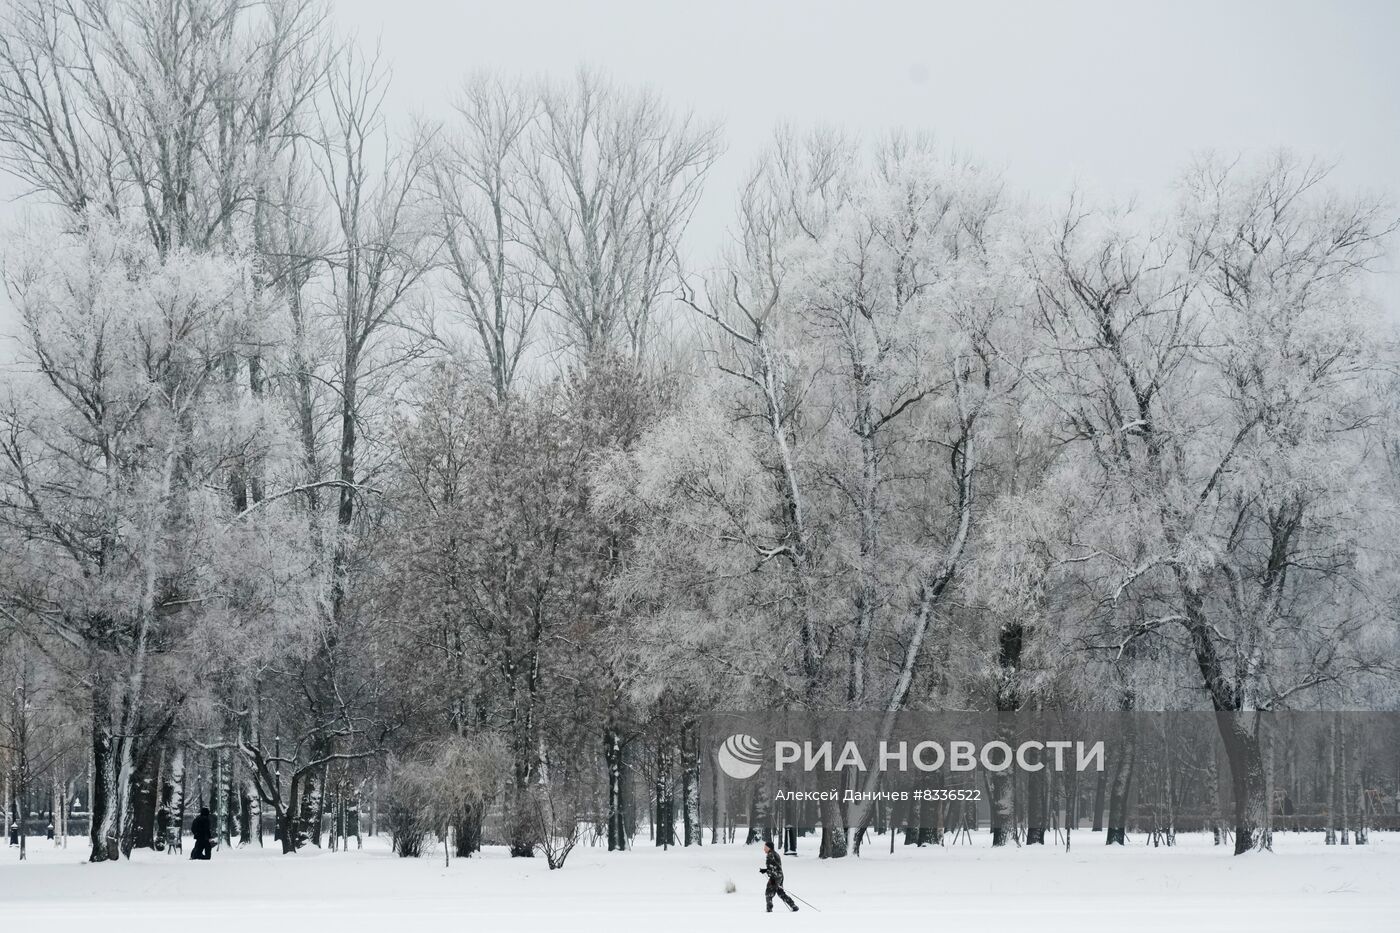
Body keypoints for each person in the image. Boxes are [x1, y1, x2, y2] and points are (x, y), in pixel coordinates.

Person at [759, 840, 798, 913]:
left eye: (765, 847)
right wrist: (765, 870)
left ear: (769, 848)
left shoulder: (770, 855)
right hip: (780, 876)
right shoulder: (775, 854)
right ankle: (793, 905)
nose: (764, 849)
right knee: (781, 893)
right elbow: (776, 866)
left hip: (775, 877)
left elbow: (772, 868)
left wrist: (772, 878)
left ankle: (769, 908)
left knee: (768, 893)